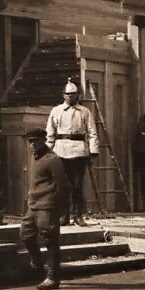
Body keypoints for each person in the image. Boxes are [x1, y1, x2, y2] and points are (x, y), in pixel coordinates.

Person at [19, 128, 72, 290]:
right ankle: (37, 265)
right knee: (26, 234)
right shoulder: (35, 157)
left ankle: (53, 277)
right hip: (34, 206)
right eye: (29, 142)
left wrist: (62, 209)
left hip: (48, 206)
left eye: (35, 141)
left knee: (50, 240)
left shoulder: (52, 159)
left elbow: (63, 186)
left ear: (43, 140)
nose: (32, 145)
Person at [45, 77, 99, 225]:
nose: (70, 97)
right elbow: (50, 133)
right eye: (67, 94)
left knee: (77, 185)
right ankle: (64, 215)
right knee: (62, 185)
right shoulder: (56, 111)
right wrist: (47, 152)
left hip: (79, 151)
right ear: (63, 95)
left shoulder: (85, 112)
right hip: (61, 150)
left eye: (72, 94)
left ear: (77, 95)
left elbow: (92, 132)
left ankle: (77, 215)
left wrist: (93, 152)